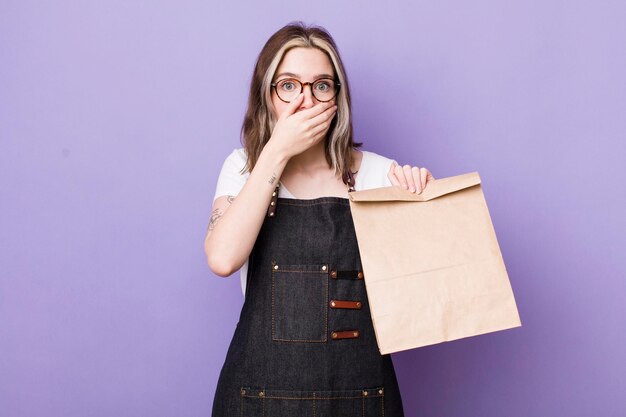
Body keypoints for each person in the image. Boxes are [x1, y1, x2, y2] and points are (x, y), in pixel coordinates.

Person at [205, 21, 434, 417]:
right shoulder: (243, 169)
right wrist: (276, 152)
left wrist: (419, 202)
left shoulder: (378, 174)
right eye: (289, 85)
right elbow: (223, 259)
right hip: (259, 399)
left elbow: (417, 297)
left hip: (361, 399)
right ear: (267, 95)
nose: (305, 101)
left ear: (337, 98)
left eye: (321, 86)